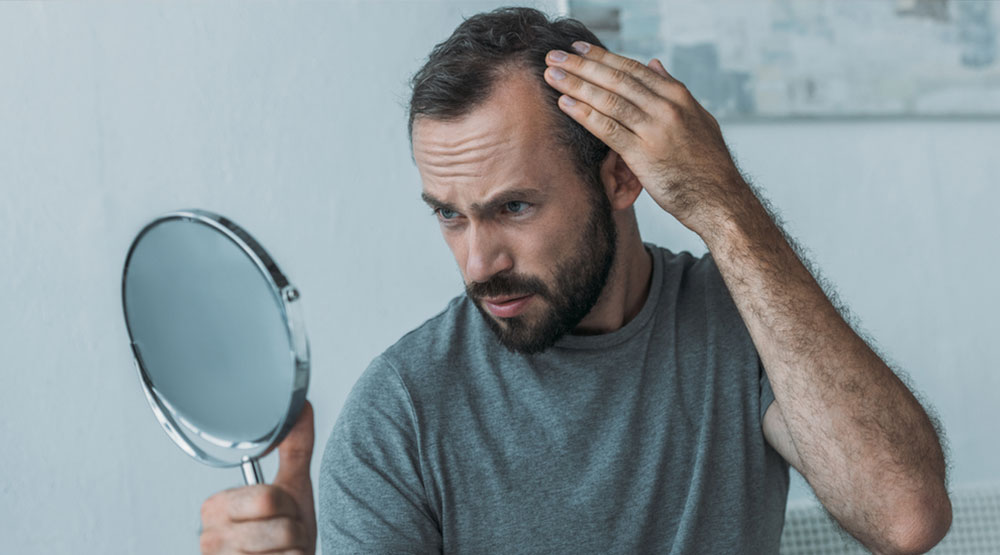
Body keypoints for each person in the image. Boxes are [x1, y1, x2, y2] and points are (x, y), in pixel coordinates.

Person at [199, 7, 952, 554]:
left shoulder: (742, 327)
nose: (477, 263)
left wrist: (726, 208)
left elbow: (906, 517)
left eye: (514, 206)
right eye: (450, 216)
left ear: (622, 176)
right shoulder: (401, 414)